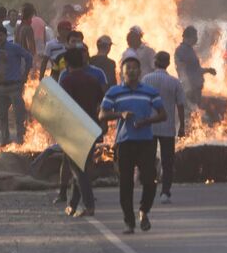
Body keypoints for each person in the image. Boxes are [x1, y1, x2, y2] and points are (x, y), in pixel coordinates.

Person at [100, 57, 166, 233]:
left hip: (146, 141)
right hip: (124, 142)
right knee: (126, 183)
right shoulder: (114, 92)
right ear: (122, 72)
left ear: (140, 71)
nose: (131, 71)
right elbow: (102, 115)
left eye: (135, 68)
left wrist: (147, 121)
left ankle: (144, 211)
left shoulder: (150, 92)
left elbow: (163, 114)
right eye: (128, 68)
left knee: (150, 180)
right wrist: (120, 114)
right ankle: (129, 221)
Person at [58, 46, 106, 217]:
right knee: (82, 166)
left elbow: (64, 107)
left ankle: (89, 205)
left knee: (79, 170)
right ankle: (72, 204)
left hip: (74, 129)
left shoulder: (67, 81)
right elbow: (102, 103)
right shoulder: (92, 80)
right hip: (91, 127)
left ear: (68, 63)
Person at [142, 50, 187, 204]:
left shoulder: (146, 79)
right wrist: (182, 126)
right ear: (168, 64)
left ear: (155, 62)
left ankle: (149, 189)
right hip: (168, 127)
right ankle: (165, 192)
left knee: (149, 160)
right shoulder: (174, 82)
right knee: (168, 162)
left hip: (150, 127)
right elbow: (180, 106)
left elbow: (142, 102)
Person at [0, 24, 33, 145]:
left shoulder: (14, 47)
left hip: (15, 86)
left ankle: (21, 140)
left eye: (0, 35)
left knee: (19, 115)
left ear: (5, 35)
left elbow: (29, 58)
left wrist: (25, 75)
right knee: (2, 115)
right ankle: (5, 140)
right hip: (1, 88)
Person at [174, 25, 215, 107]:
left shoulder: (190, 50)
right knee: (191, 112)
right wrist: (187, 89)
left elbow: (195, 70)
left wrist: (208, 70)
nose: (196, 38)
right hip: (191, 89)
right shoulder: (182, 50)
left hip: (195, 88)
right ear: (188, 37)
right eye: (195, 36)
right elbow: (181, 71)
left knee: (196, 112)